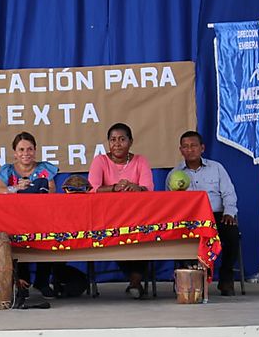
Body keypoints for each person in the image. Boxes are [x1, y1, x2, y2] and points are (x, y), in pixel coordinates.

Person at [166, 131, 240, 296]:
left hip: (216, 216)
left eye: (193, 146)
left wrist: (229, 213)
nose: (189, 149)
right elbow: (170, 204)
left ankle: (226, 278)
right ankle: (187, 278)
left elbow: (228, 193)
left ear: (202, 148)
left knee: (232, 233)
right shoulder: (174, 174)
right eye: (185, 146)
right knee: (179, 237)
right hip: (190, 219)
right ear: (180, 150)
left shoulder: (217, 168)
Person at [87, 122, 154, 299]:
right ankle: (135, 280)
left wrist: (135, 187)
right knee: (116, 235)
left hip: (137, 216)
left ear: (130, 141)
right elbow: (92, 189)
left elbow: (148, 189)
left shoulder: (140, 160)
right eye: (113, 140)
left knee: (144, 234)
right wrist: (114, 188)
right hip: (107, 217)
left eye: (122, 139)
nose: (117, 144)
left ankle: (135, 281)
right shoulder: (100, 161)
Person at [0, 131, 59, 298]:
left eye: (29, 149)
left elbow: (52, 191)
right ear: (15, 153)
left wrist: (34, 186)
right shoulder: (8, 170)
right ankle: (22, 282)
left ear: (35, 150)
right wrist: (16, 188)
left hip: (42, 218)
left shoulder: (44, 169)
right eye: (21, 150)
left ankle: (42, 282)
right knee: (17, 238)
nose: (26, 154)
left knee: (50, 237)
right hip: (15, 220)